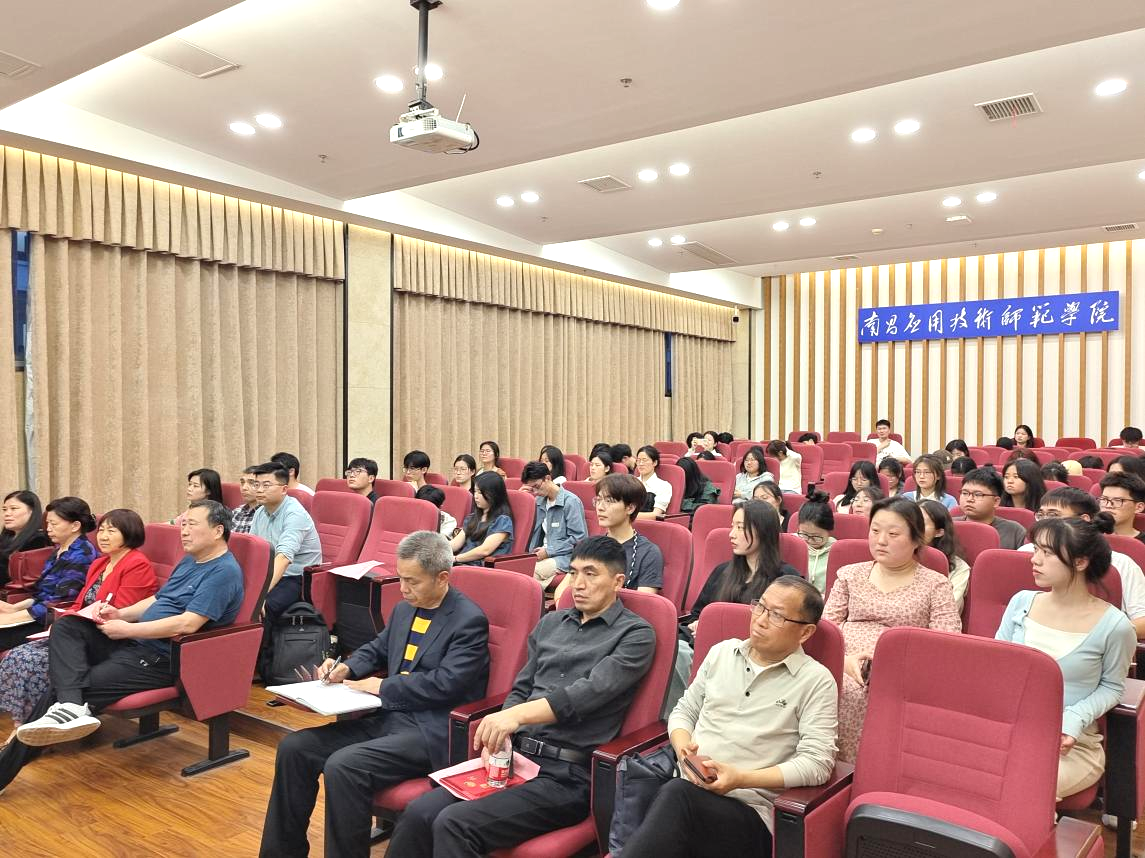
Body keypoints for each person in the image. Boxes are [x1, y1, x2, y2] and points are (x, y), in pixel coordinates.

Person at [386, 536, 656, 858]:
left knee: (454, 823)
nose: (578, 584)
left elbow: (584, 695)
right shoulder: (551, 623)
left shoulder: (636, 634)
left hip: (566, 776)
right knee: (419, 813)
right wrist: (504, 733)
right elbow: (521, 687)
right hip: (516, 759)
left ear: (618, 581)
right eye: (573, 573)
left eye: (590, 574)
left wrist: (512, 717)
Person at [259, 531, 490, 858]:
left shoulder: (469, 620)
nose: (403, 589)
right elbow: (378, 648)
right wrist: (346, 668)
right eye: (401, 578)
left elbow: (446, 683)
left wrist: (382, 687)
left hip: (430, 730)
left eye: (412, 581)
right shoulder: (405, 609)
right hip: (388, 716)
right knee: (295, 748)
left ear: (442, 578)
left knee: (344, 765)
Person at [0, 500, 243, 790]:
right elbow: (158, 600)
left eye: (192, 525)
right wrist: (121, 614)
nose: (183, 531)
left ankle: (9, 763)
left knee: (65, 688)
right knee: (69, 626)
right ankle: (71, 707)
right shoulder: (191, 559)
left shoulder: (223, 572)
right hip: (135, 642)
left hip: (162, 657)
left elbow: (188, 624)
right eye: (184, 524)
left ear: (217, 531)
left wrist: (129, 629)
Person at [622, 576, 837, 858]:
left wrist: (741, 778)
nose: (760, 620)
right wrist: (683, 748)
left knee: (676, 797)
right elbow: (684, 710)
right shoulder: (722, 653)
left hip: (748, 812)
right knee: (670, 795)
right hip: (687, 789)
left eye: (777, 615)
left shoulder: (816, 681)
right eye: (760, 606)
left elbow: (817, 763)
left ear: (805, 632)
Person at [995, 516, 1135, 801]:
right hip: (1009, 730)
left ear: (1080, 562)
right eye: (1036, 549)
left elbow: (1112, 687)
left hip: (1071, 743)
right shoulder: (1021, 602)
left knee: (1021, 786)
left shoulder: (1115, 626)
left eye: (1047, 553)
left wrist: (1074, 718)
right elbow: (998, 665)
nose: (1035, 560)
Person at [824, 496, 961, 761]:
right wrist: (843, 661)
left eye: (893, 534)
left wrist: (894, 666)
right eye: (875, 530)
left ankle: (868, 767)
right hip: (843, 663)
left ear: (917, 539)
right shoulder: (849, 574)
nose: (881, 540)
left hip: (902, 672)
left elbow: (946, 643)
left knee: (873, 694)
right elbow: (827, 629)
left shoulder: (936, 584)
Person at [0, 510, 157, 731]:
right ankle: (24, 723)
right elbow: (79, 603)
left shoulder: (137, 564)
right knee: (19, 654)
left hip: (108, 637)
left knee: (33, 661)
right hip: (78, 630)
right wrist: (62, 621)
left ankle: (47, 724)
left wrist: (73, 624)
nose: (103, 536)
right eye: (101, 530)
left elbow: (120, 610)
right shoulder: (100, 563)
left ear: (129, 533)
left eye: (111, 531)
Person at [1025, 487, 1145, 640]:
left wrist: (1102, 635)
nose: (1044, 521)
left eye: (1053, 515)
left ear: (1083, 520)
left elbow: (1142, 620)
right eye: (1041, 515)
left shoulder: (1121, 564)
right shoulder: (1025, 552)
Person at [681, 501, 797, 635]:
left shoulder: (786, 579)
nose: (732, 534)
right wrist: (697, 624)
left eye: (740, 527)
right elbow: (698, 613)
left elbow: (783, 628)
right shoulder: (722, 571)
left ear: (763, 531)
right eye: (732, 526)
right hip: (707, 640)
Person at [0, 497, 98, 651]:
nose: (48, 529)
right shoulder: (58, 550)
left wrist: (11, 618)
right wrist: (13, 608)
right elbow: (42, 595)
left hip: (52, 623)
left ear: (75, 526)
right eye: (47, 523)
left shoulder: (82, 554)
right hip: (37, 615)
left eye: (54, 524)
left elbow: (59, 603)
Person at [553, 474, 663, 601]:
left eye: (609, 501)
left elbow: (643, 603)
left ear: (630, 508)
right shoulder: (589, 546)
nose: (600, 507)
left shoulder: (648, 553)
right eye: (598, 500)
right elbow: (561, 593)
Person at [249, 462, 323, 643]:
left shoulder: (294, 514)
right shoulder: (260, 512)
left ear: (283, 489)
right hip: (269, 573)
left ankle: (262, 658)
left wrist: (259, 594)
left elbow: (283, 559)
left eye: (266, 485)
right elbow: (254, 552)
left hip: (296, 578)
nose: (259, 490)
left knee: (262, 608)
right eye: (256, 484)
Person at [521, 461, 587, 588]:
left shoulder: (571, 502)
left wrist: (548, 551)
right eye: (531, 489)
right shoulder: (538, 501)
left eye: (536, 486)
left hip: (565, 557)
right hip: (539, 555)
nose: (535, 491)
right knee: (516, 572)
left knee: (529, 575)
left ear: (547, 478)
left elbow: (578, 539)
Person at [918, 500, 971, 613]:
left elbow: (950, 610)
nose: (912, 528)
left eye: (921, 524)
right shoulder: (892, 556)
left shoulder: (959, 568)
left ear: (939, 532)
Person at [955, 467, 1027, 550]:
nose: (969, 499)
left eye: (978, 495)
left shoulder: (1014, 531)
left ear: (996, 501)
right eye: (965, 493)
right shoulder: (949, 525)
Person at [451, 472, 514, 563]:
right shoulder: (472, 517)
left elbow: (485, 550)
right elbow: (455, 544)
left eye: (480, 492)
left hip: (482, 568)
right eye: (475, 491)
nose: (476, 496)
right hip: (463, 563)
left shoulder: (503, 521)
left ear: (494, 494)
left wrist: (455, 559)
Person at [0, 490, 50, 588]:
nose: (7, 513)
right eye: (4, 509)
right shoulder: (5, 539)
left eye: (13, 508)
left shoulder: (39, 540)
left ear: (31, 511)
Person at [796, 489, 835, 594]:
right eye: (804, 534)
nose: (809, 540)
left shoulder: (836, 552)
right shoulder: (792, 545)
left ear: (829, 531)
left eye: (816, 537)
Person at [1098, 472, 1145, 542]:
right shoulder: (1087, 536)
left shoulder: (1142, 544)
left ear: (1139, 507)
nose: (1108, 505)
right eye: (1104, 499)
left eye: (1118, 500)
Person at [635, 445, 673, 520]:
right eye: (638, 460)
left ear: (654, 462)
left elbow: (656, 515)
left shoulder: (663, 486)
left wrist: (626, 517)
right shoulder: (631, 482)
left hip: (648, 524)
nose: (641, 464)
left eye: (644, 460)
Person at [231, 466, 261, 535]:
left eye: (251, 483)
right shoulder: (236, 511)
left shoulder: (266, 514)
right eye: (242, 482)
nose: (244, 488)